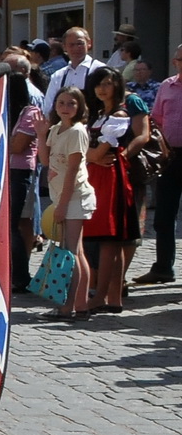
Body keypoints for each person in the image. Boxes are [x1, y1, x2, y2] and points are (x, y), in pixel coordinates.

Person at [81, 66, 148, 313]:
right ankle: (113, 298)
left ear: (117, 85)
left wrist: (81, 154)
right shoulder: (101, 114)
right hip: (100, 175)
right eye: (99, 84)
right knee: (112, 242)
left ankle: (101, 296)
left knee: (109, 239)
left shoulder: (118, 115)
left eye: (107, 83)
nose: (102, 89)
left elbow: (99, 153)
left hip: (110, 178)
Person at [40, 87, 97, 321]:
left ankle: (68, 307)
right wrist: (40, 134)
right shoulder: (56, 129)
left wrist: (62, 206)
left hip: (74, 197)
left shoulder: (77, 131)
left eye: (71, 103)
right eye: (61, 103)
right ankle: (80, 306)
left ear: (79, 106)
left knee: (71, 252)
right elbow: (46, 160)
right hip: (62, 196)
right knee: (76, 251)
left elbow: (73, 170)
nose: (65, 108)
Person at [136, 42, 182, 286]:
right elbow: (157, 119)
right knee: (164, 215)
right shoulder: (167, 86)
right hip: (170, 156)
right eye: (180, 59)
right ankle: (163, 267)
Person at [3, 49, 45, 293]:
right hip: (8, 170)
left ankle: (20, 275)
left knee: (15, 224)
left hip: (21, 172)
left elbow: (17, 146)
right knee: (10, 224)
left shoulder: (30, 112)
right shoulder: (6, 113)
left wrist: (2, 141)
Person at [41, 27, 105, 115]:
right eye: (71, 45)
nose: (76, 48)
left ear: (89, 43)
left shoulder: (99, 70)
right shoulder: (58, 76)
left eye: (80, 43)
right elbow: (48, 108)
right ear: (64, 47)